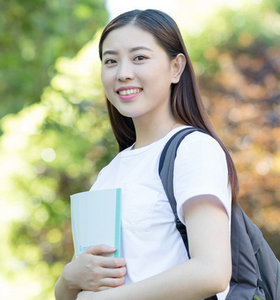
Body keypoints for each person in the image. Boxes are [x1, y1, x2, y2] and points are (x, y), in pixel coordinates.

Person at [55, 9, 239, 300]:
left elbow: (212, 271)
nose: (123, 72)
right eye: (110, 61)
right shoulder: (110, 172)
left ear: (176, 68)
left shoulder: (193, 149)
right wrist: (67, 280)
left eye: (139, 57)